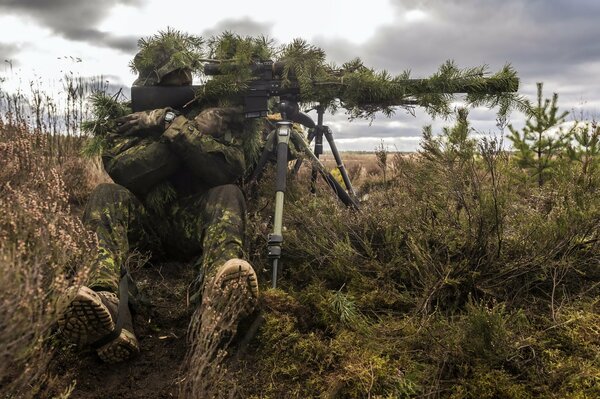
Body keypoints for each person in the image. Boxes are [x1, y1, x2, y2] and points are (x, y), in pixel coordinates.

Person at [58, 38, 259, 363]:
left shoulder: (212, 114)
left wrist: (174, 123)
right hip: (144, 227)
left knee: (229, 194)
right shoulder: (128, 119)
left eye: (186, 73)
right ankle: (108, 305)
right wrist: (179, 127)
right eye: (173, 77)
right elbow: (127, 171)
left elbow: (228, 168)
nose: (184, 80)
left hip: (192, 224)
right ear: (152, 81)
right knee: (105, 195)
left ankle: (218, 299)